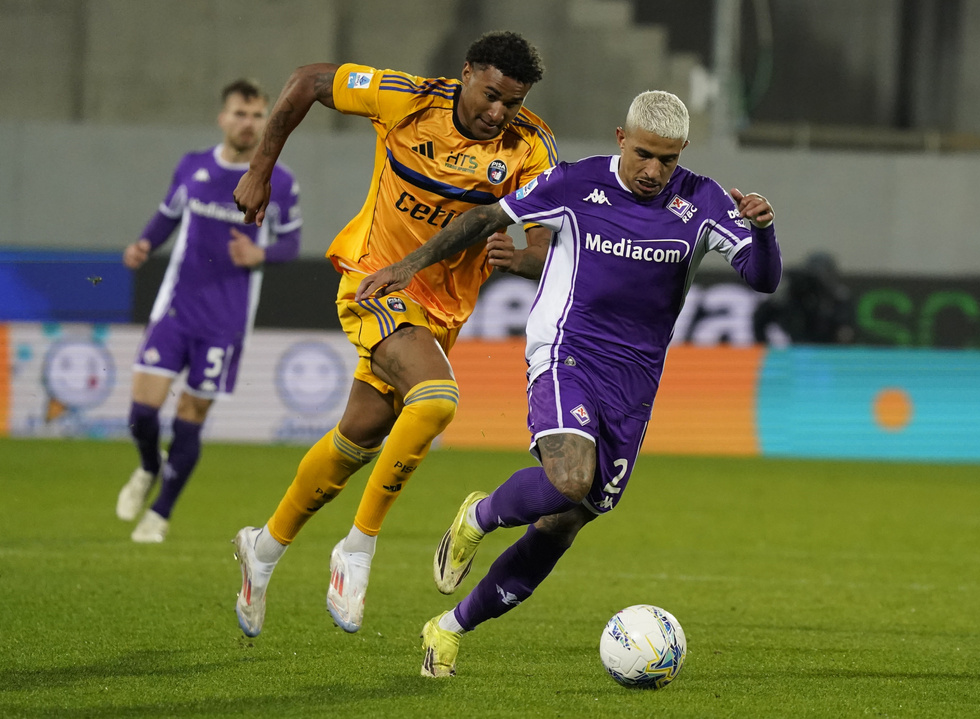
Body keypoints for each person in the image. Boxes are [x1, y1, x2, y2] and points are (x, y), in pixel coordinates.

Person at [355, 90, 782, 677]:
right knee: (570, 479)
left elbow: (761, 279)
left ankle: (449, 629)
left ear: (682, 152)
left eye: (667, 159)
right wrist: (406, 268)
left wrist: (762, 230)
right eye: (643, 154)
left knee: (566, 520)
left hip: (635, 384)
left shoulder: (702, 200)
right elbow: (487, 217)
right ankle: (479, 517)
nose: (654, 170)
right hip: (566, 353)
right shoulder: (574, 184)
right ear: (620, 139)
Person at [230, 31, 557, 638]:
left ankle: (264, 548)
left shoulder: (530, 148)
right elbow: (307, 80)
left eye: (511, 103)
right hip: (375, 282)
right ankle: (356, 550)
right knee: (437, 401)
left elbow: (542, 246)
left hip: (442, 313)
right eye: (490, 96)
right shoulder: (404, 100)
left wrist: (522, 256)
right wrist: (261, 166)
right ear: (466, 74)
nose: (498, 113)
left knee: (356, 440)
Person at [115, 79, 302, 543]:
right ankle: (147, 465)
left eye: (258, 115)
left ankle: (159, 513)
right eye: (240, 113)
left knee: (190, 416)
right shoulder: (194, 166)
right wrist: (143, 243)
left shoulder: (279, 181)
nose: (248, 122)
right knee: (142, 412)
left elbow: (292, 244)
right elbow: (168, 214)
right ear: (223, 118)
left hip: (226, 321)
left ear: (266, 122)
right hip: (176, 308)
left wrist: (261, 255)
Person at [753, 251, 855, 344]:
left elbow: (845, 330)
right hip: (793, 345)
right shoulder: (793, 293)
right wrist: (763, 345)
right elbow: (761, 318)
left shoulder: (837, 296)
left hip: (826, 348)